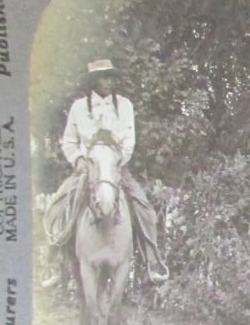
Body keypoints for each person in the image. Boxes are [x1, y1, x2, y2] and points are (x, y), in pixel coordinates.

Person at [43, 59, 169, 285]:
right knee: (59, 204)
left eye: (111, 77)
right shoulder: (79, 108)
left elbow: (129, 139)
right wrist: (79, 160)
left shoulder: (125, 105)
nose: (107, 82)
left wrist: (116, 163)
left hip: (116, 168)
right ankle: (55, 264)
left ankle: (152, 263)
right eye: (103, 77)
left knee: (145, 209)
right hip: (87, 169)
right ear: (93, 81)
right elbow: (69, 141)